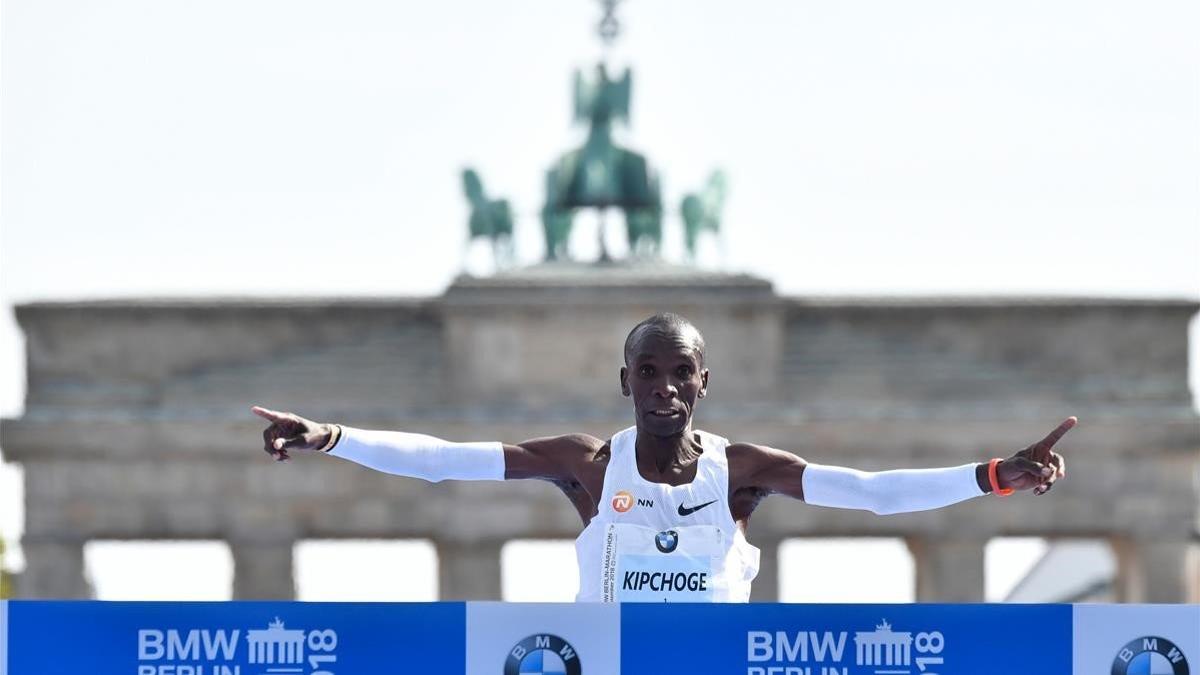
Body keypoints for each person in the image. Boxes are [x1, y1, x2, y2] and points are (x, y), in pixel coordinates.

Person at [253, 312, 1071, 602]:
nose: (666, 387)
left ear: (704, 382)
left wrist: (995, 474)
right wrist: (332, 436)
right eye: (649, 371)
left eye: (682, 371)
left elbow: (872, 493)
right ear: (625, 381)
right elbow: (444, 462)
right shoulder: (587, 464)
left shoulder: (741, 471)